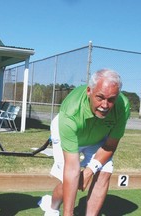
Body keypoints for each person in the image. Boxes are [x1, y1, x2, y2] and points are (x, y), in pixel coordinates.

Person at [38, 69, 130, 216]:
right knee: (70, 181)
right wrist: (68, 213)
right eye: (100, 97)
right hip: (67, 134)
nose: (105, 105)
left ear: (117, 96)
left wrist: (89, 170)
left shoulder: (122, 107)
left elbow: (111, 145)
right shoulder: (70, 111)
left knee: (104, 170)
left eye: (111, 99)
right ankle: (52, 207)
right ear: (89, 91)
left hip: (97, 138)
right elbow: (72, 167)